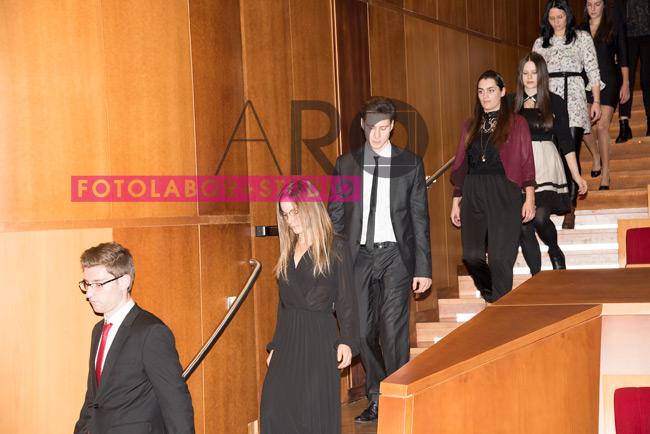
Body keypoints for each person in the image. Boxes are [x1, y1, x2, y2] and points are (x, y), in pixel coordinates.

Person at [328, 97, 432, 423]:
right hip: (358, 256)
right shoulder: (346, 165)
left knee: (392, 329)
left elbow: (419, 219)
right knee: (359, 331)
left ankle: (395, 398)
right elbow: (336, 220)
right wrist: (333, 267)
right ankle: (377, 392)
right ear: (363, 125)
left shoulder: (410, 164)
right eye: (371, 127)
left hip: (395, 255)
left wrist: (423, 268)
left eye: (383, 128)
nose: (376, 134)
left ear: (393, 127)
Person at [260, 180, 359, 434]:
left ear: (310, 207)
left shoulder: (335, 246)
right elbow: (284, 305)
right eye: (285, 214)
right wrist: (275, 346)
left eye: (295, 212)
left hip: (319, 339)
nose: (290, 220)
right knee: (273, 409)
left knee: (311, 416)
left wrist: (347, 340)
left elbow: (347, 299)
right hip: (288, 339)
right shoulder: (288, 249)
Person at [74, 242, 195, 434]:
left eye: (98, 284)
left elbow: (176, 403)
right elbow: (94, 398)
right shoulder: (98, 330)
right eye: (87, 284)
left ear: (123, 282)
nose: (89, 294)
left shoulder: (151, 332)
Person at [450, 70, 536, 303]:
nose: (485, 96)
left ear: (502, 92)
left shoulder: (517, 123)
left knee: (500, 259)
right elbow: (461, 164)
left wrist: (529, 198)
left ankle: (500, 308)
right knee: (471, 256)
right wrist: (456, 200)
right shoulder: (470, 125)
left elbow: (526, 162)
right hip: (473, 190)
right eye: (481, 91)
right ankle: (493, 297)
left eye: (490, 90)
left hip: (505, 190)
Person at [514, 53, 589, 274]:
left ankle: (555, 250)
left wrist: (576, 175)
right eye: (525, 73)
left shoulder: (555, 101)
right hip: (520, 165)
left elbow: (565, 140)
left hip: (547, 163)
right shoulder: (511, 103)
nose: (529, 77)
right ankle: (536, 275)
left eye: (534, 72)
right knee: (524, 224)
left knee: (539, 218)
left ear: (542, 75)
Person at [533, 0, 603, 229]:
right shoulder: (540, 43)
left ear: (568, 16)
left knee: (570, 150)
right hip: (549, 99)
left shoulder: (581, 37)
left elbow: (592, 69)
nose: (556, 22)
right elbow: (533, 74)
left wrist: (596, 101)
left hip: (574, 96)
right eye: (552, 18)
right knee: (553, 152)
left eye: (560, 17)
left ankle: (570, 208)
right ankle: (555, 200)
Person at [581, 0, 630, 189]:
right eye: (590, 4)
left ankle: (606, 174)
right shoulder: (580, 30)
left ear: (603, 6)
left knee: (602, 126)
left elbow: (623, 55)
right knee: (583, 123)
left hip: (609, 80)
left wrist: (625, 82)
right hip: (586, 82)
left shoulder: (613, 26)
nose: (593, 8)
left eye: (597, 4)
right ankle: (596, 155)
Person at [616, 0, 650, 141]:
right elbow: (616, 13)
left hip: (648, 35)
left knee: (647, 79)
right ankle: (624, 125)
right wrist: (615, 46)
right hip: (627, 36)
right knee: (625, 80)